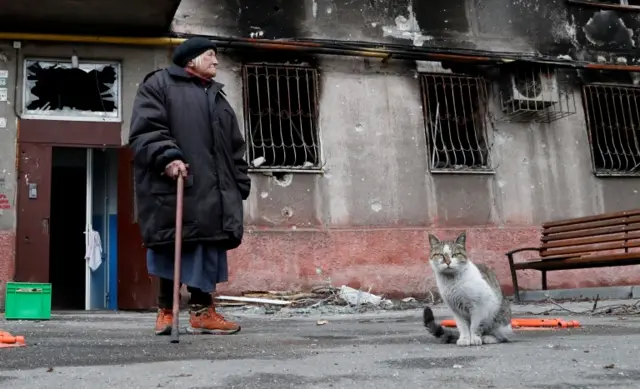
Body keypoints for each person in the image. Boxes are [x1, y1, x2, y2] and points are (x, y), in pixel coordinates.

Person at [128, 37, 251, 336]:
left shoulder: (216, 96)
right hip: (176, 184)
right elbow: (146, 131)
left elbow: (234, 146)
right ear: (191, 59)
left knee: (206, 248)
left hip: (213, 191)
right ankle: (166, 313)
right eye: (210, 55)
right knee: (172, 247)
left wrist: (239, 180)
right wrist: (168, 157)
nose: (216, 61)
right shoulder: (158, 85)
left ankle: (202, 312)